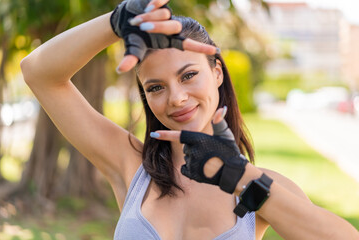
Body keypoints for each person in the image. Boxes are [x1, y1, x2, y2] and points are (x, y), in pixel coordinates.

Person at [20, 0, 359, 239]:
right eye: (156, 87)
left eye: (188, 76)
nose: (176, 98)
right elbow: (39, 73)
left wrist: (242, 178)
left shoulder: (261, 186)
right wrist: (115, 23)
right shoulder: (131, 167)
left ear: (217, 73)